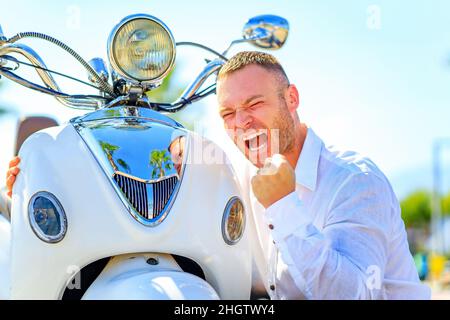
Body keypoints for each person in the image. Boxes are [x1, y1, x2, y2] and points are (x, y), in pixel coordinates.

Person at [6, 51, 431, 300]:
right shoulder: (233, 169)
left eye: (256, 103)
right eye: (228, 112)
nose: (241, 123)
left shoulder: (354, 180)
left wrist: (284, 205)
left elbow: (355, 294)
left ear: (292, 98)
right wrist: (35, 184)